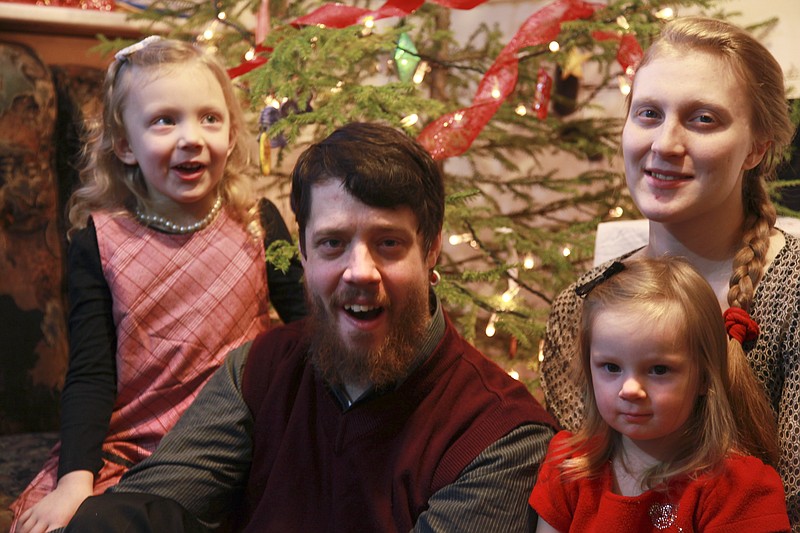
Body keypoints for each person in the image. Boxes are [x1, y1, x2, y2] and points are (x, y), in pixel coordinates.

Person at [60, 122, 559, 532]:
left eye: (388, 243)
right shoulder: (258, 370)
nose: (360, 271)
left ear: (430, 251)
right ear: (302, 252)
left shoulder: (499, 435)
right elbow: (144, 509)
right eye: (332, 243)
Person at [10, 36, 306, 533]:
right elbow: (90, 372)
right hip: (132, 443)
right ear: (124, 144)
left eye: (209, 118)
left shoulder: (258, 224)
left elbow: (310, 330)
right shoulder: (99, 240)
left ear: (232, 134)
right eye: (165, 120)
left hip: (236, 436)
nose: (191, 137)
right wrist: (74, 482)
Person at [540, 16, 800, 525]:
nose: (665, 144)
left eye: (703, 119)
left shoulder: (791, 296)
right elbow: (575, 491)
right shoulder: (583, 304)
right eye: (649, 114)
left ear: (757, 147)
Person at [532, 257, 790, 531]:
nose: (630, 389)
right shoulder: (569, 466)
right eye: (611, 367)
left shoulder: (737, 489)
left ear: (704, 376)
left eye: (658, 369)